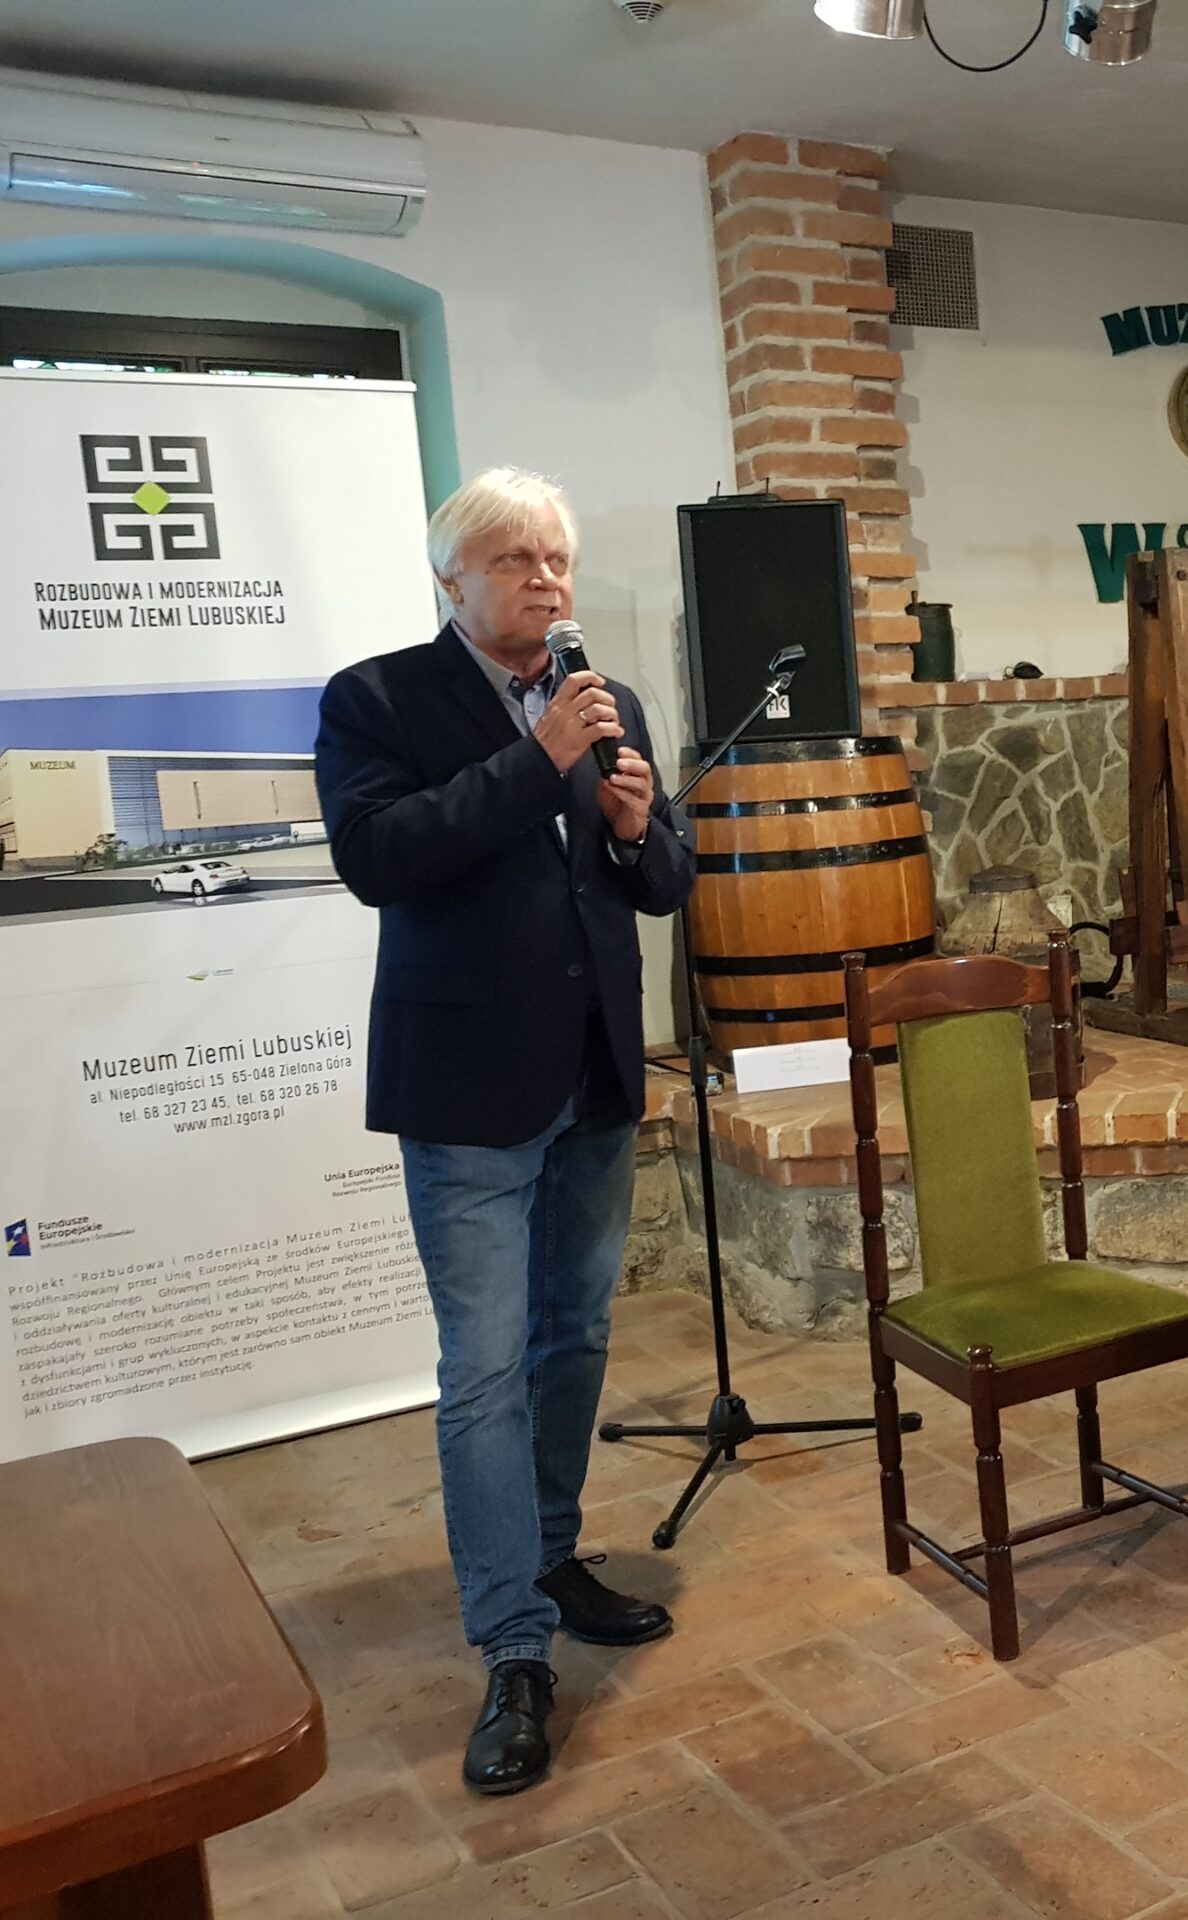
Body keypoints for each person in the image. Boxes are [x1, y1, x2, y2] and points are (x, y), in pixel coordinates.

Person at [315, 468, 696, 1794]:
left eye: (558, 559)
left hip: (591, 1076)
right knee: (482, 1368)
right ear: (452, 579)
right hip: (469, 1089)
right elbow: (379, 857)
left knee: (574, 1336)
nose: (547, 579)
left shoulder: (605, 697)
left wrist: (639, 832)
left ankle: (547, 1551)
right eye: (516, 559)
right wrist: (536, 766)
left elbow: (659, 880)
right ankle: (513, 1648)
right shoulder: (377, 699)